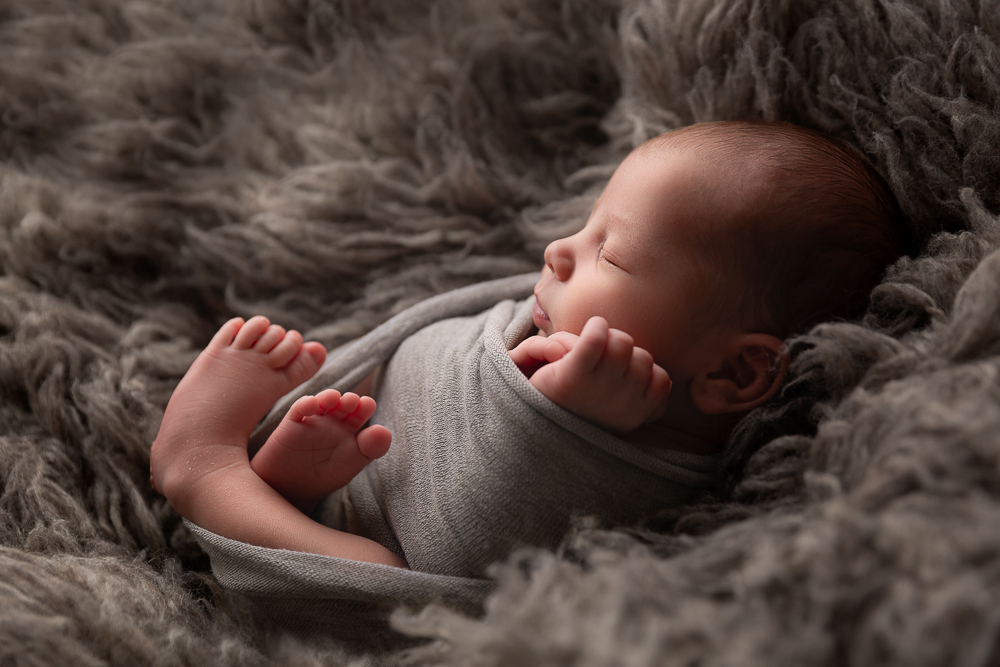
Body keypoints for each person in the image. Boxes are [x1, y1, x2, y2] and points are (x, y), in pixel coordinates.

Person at [150, 120, 910, 573]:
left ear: (737, 369)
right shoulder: (563, 322)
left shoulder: (638, 458)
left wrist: (558, 424)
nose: (556, 251)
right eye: (583, 224)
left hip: (387, 583)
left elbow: (467, 554)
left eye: (610, 256)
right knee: (354, 502)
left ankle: (205, 468)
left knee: (374, 569)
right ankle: (299, 494)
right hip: (376, 468)